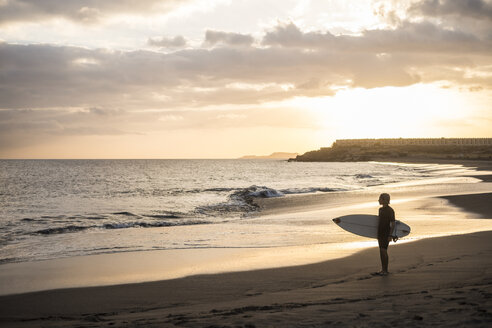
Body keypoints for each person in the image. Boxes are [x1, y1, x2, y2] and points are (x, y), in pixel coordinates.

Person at [375, 193, 397, 276]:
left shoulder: (390, 210)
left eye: (380, 199)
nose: (378, 200)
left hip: (386, 233)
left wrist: (390, 235)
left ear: (384, 200)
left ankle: (386, 270)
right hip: (380, 233)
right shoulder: (380, 210)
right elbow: (379, 222)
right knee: (381, 251)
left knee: (384, 251)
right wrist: (376, 233)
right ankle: (383, 269)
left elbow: (393, 223)